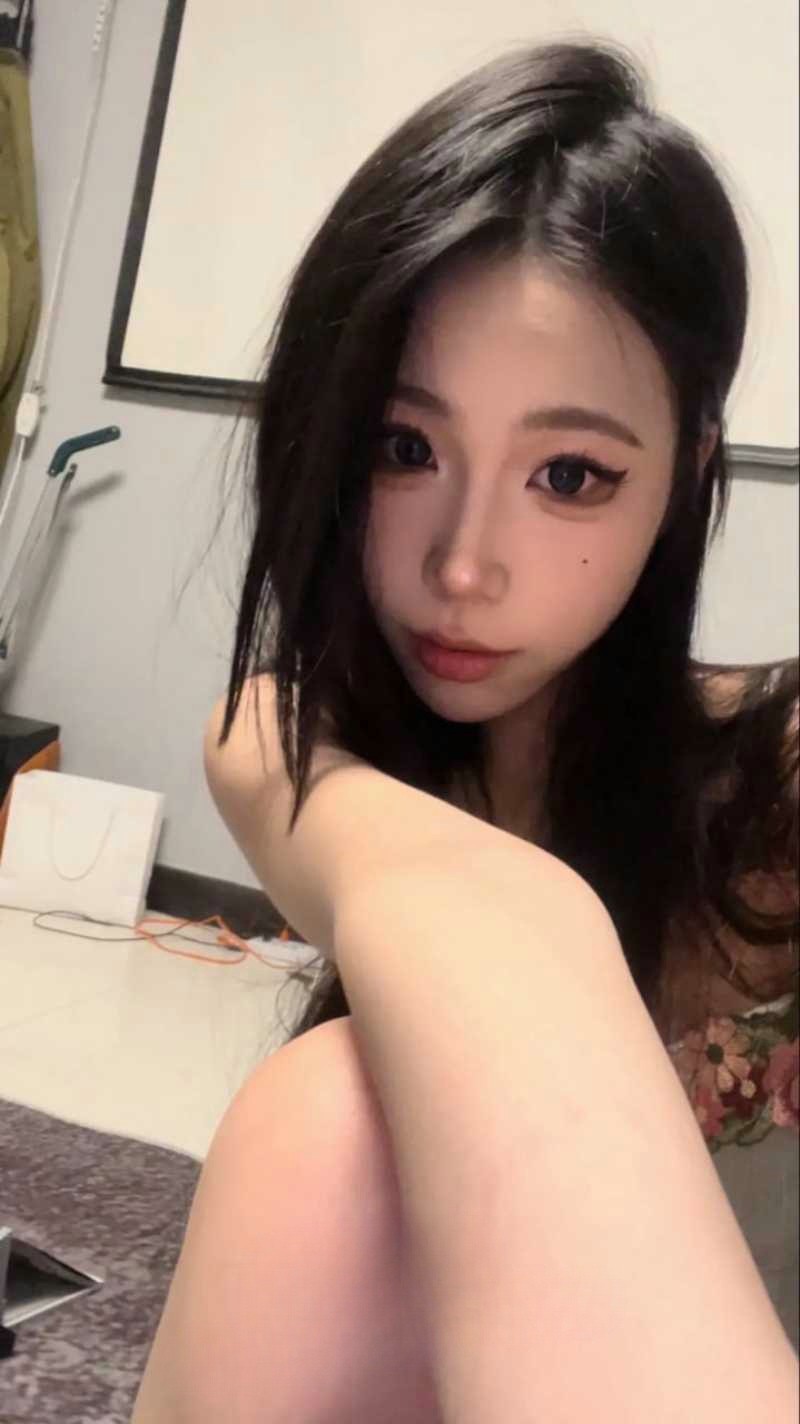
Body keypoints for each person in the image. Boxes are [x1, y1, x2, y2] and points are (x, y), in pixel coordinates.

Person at [135, 36, 799, 1423]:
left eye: (571, 474)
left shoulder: (773, 784)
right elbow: (264, 730)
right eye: (405, 449)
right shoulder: (320, 740)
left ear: (686, 473)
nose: (463, 566)